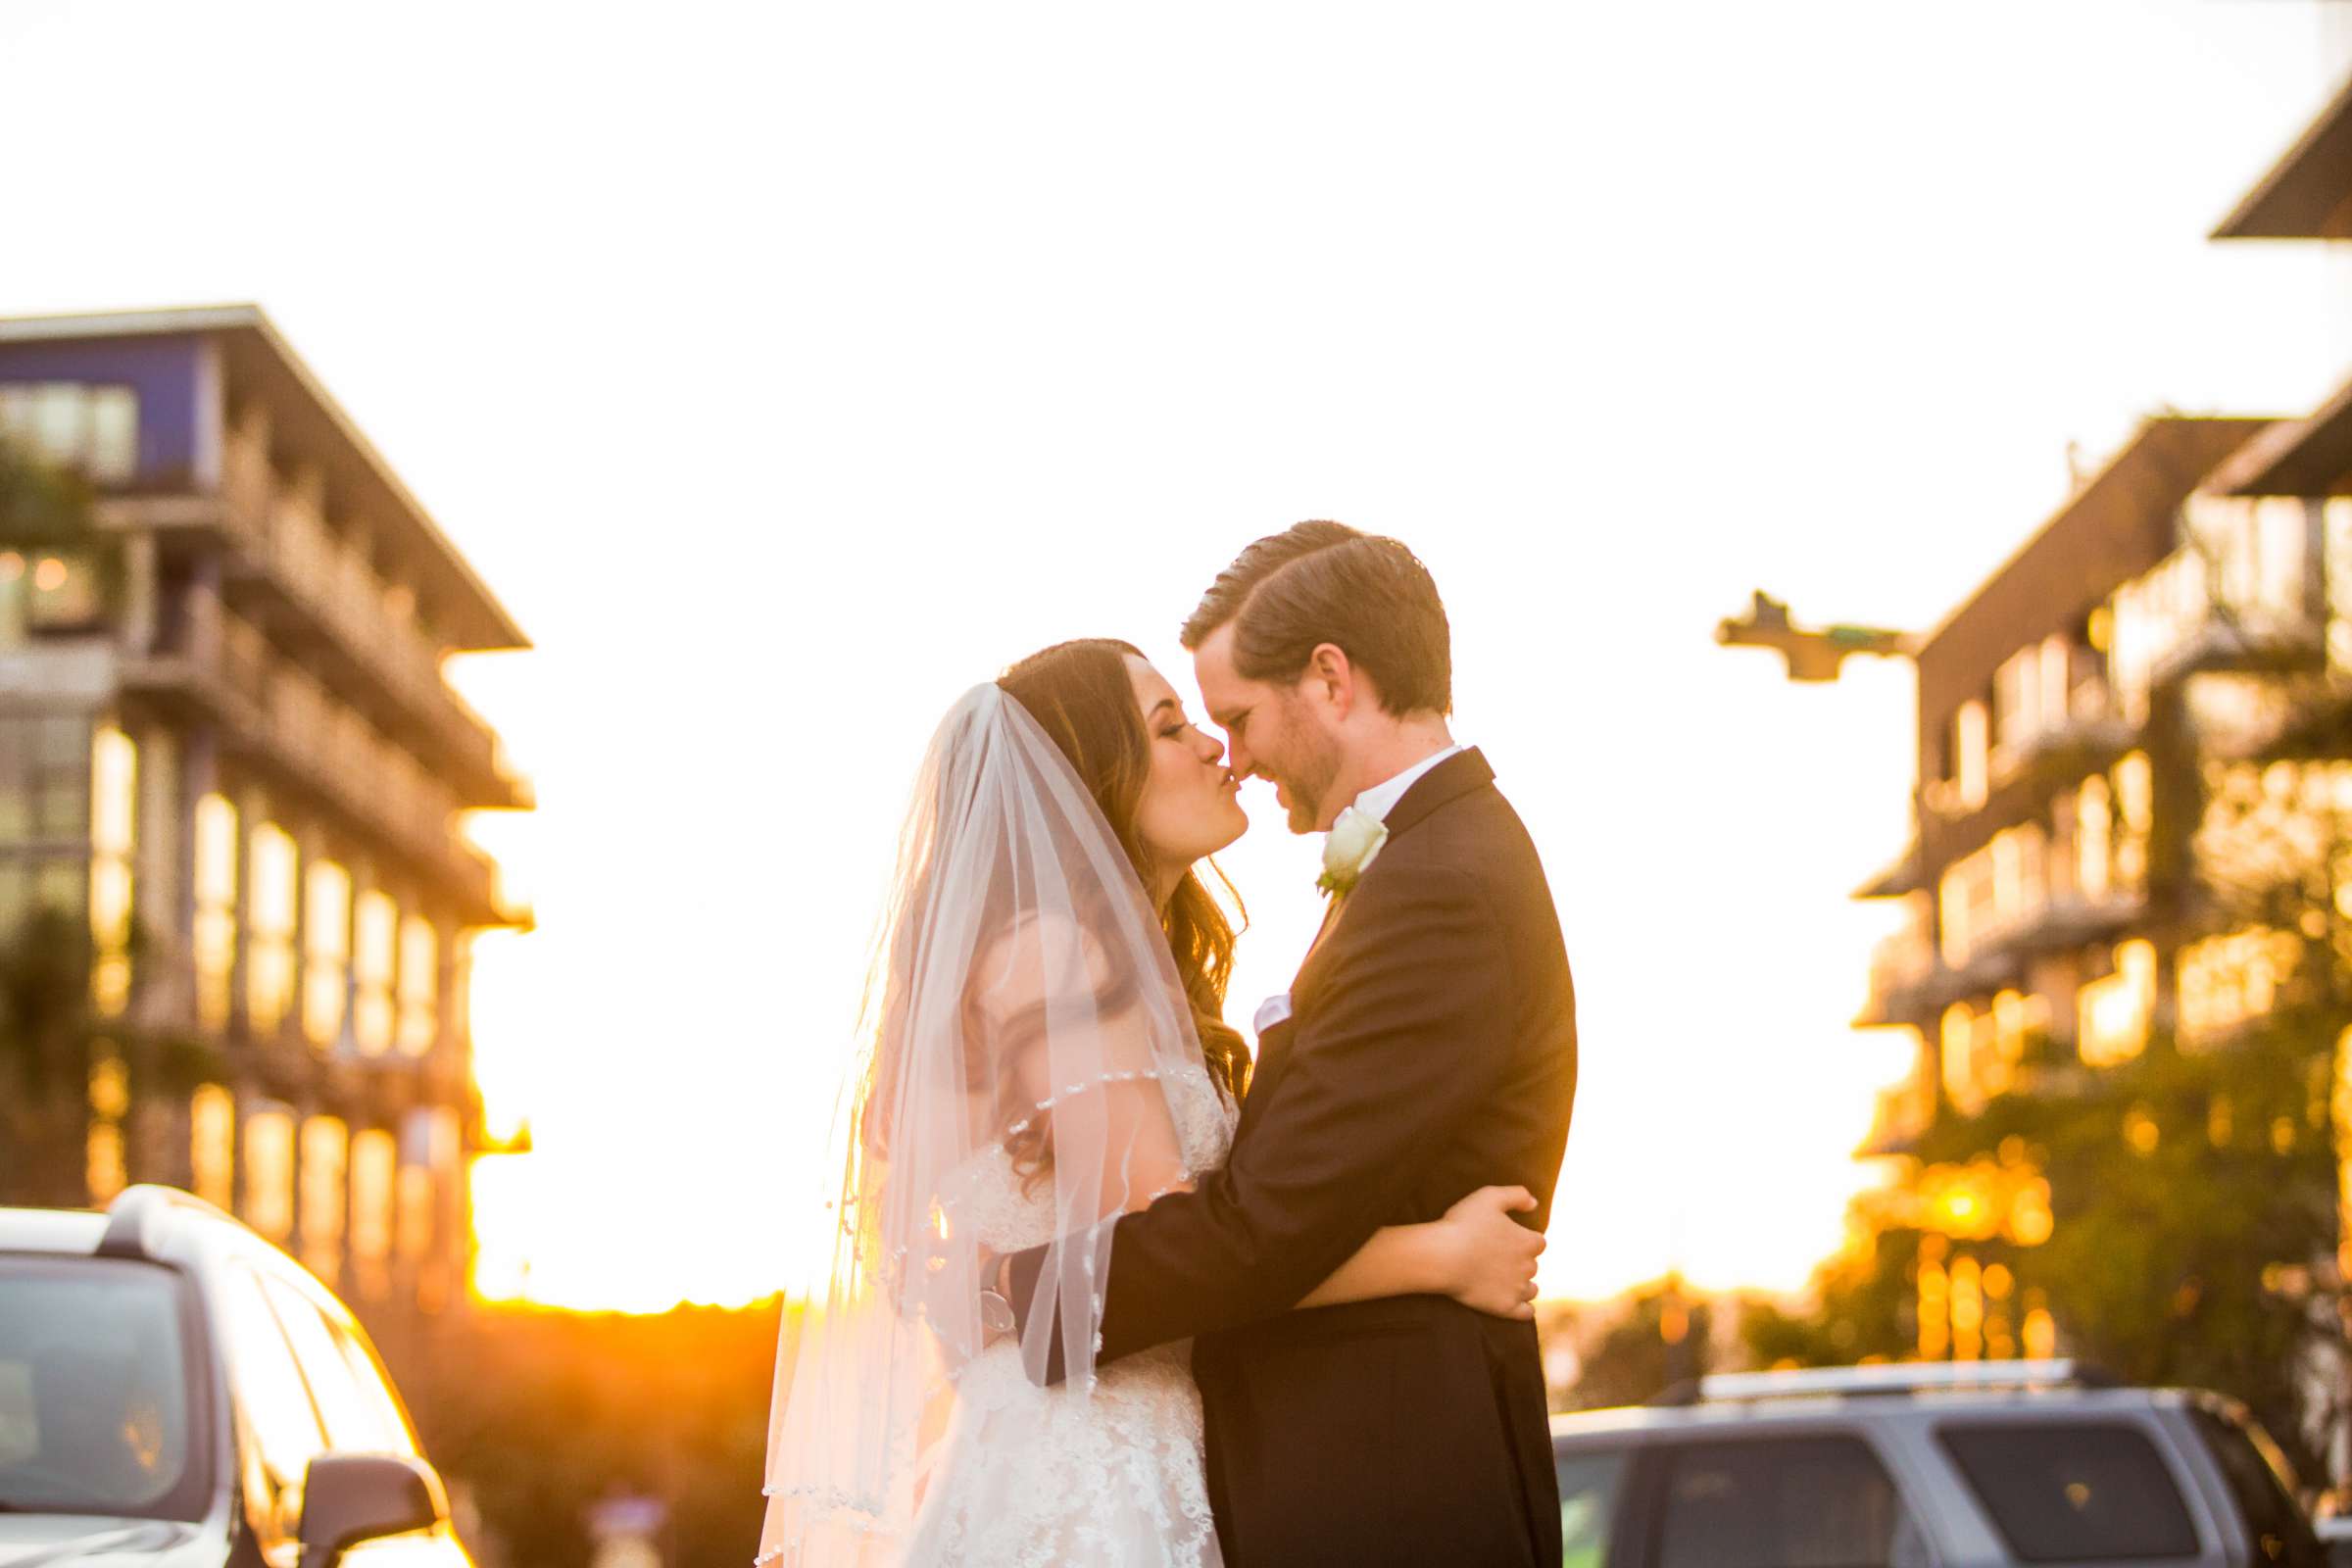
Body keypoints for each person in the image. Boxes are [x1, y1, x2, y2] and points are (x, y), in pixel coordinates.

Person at [758, 634, 1545, 1567]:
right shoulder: (1054, 957)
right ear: (1092, 778)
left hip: (1105, 1444)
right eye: (1171, 728)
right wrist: (1437, 1256)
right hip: (1094, 1476)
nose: (1218, 746)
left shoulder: (1090, 965)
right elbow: (1172, 1254)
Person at [1002, 523, 1578, 1566]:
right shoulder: (1421, 862)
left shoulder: (1438, 882)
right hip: (1345, 1481)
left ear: (1330, 679)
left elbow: (1264, 1226)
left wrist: (1019, 1295)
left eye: (1235, 715)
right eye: (1191, 725)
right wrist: (1438, 1255)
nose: (1237, 751)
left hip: (1388, 1489)